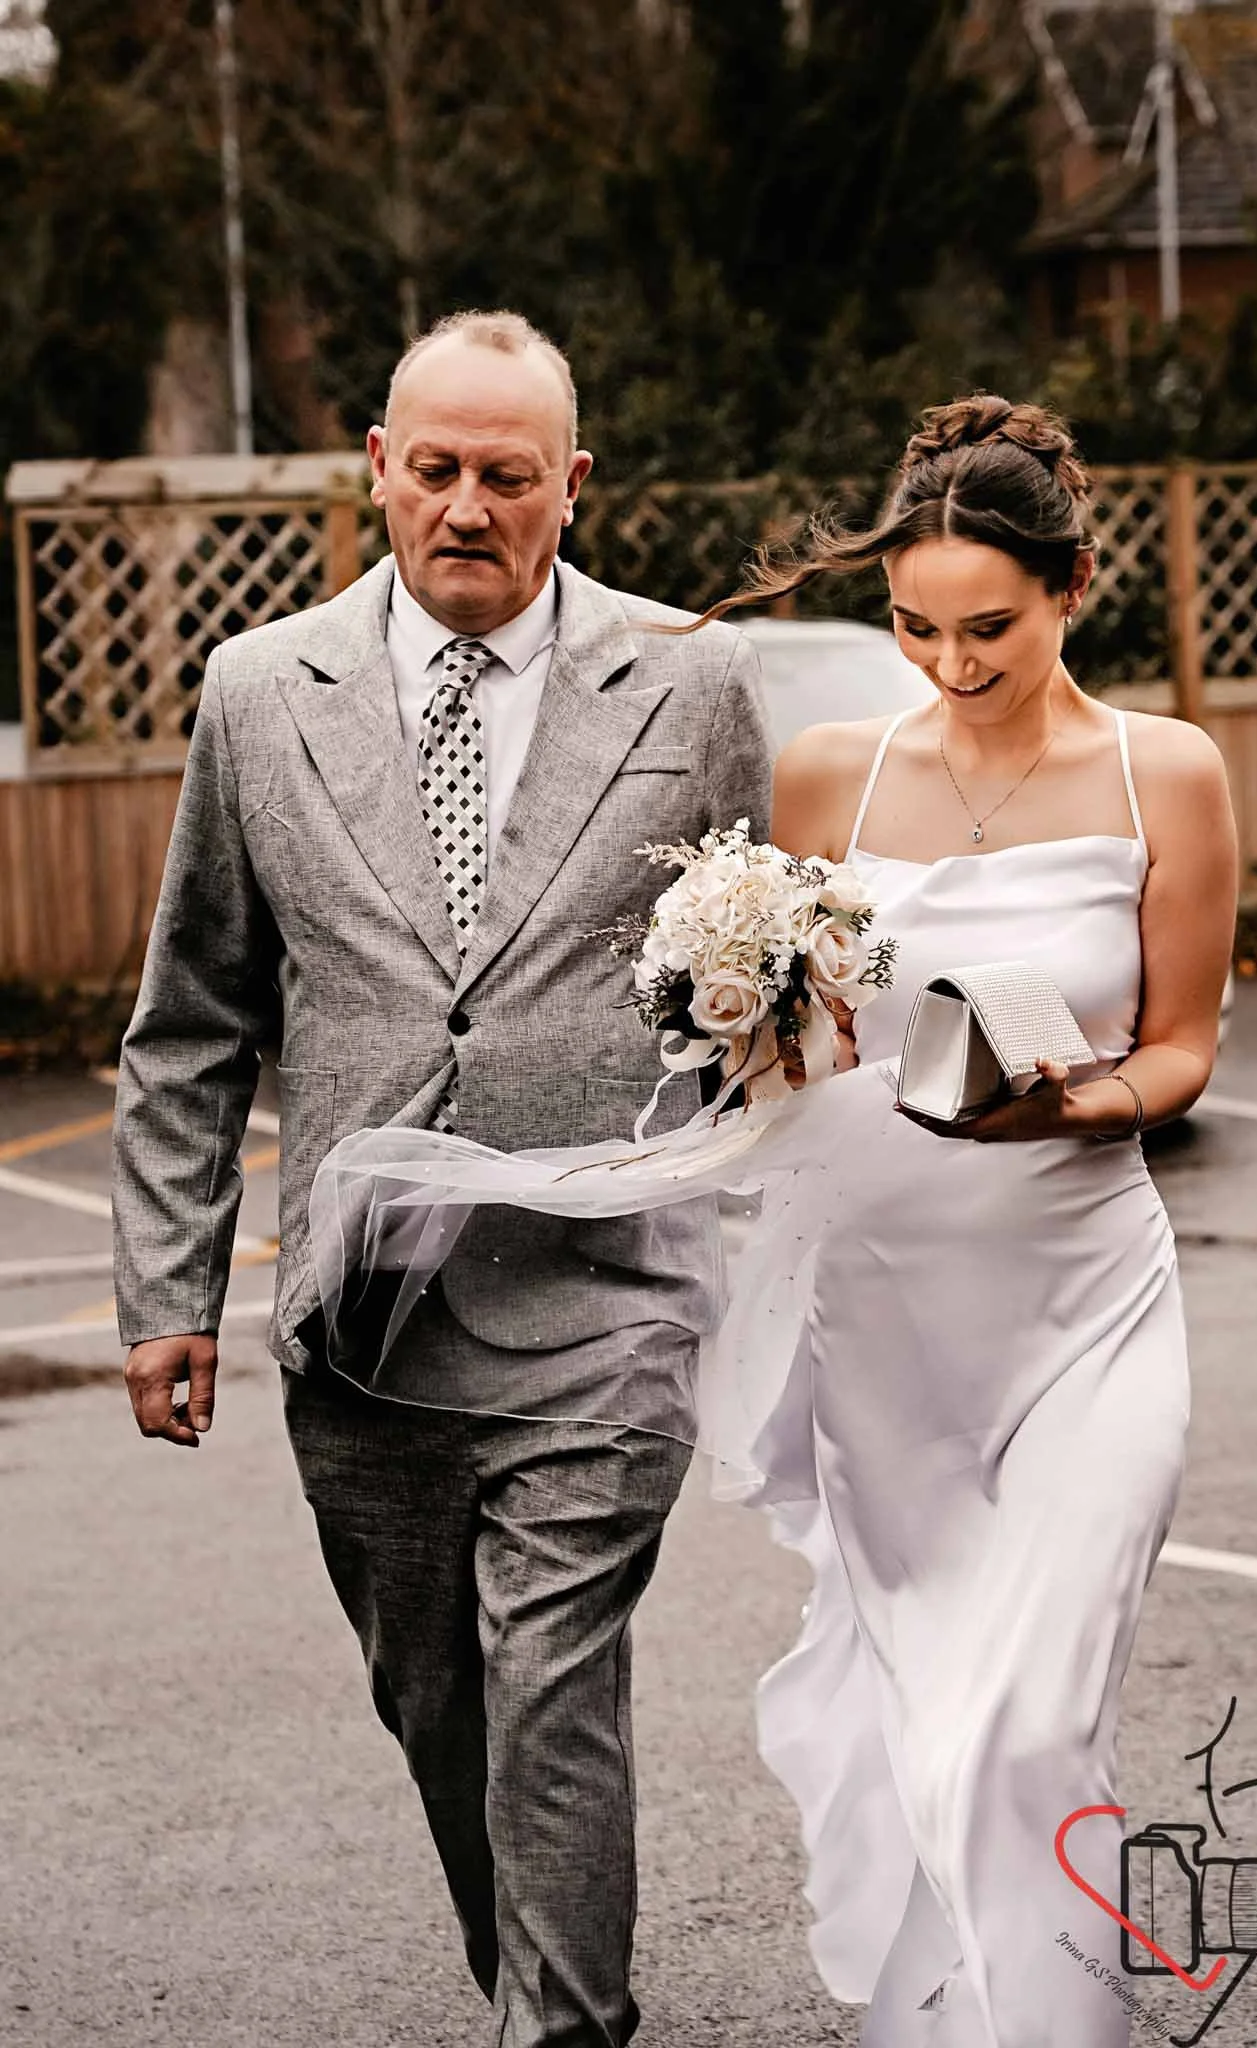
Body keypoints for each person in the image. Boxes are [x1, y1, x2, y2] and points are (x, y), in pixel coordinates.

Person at [111, 308, 771, 2048]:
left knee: (555, 1680)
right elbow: (192, 1021)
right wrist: (169, 1292)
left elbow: (750, 982)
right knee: (438, 1695)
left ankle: (562, 2028)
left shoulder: (691, 682)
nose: (469, 507)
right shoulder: (259, 691)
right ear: (382, 474)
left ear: (574, 485)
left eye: (510, 474)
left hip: (606, 1293)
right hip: (367, 1315)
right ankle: (546, 1978)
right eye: (438, 469)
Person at [680, 392, 1238, 2045]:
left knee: (1034, 1711)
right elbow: (793, 1042)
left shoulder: (1169, 775)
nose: (948, 662)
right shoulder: (832, 775)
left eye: (986, 626)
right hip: (885, 1326)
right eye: (915, 628)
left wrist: (1089, 1100)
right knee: (947, 1706)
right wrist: (733, 1018)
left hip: (1086, 1305)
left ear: (1072, 589)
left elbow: (1190, 1047)